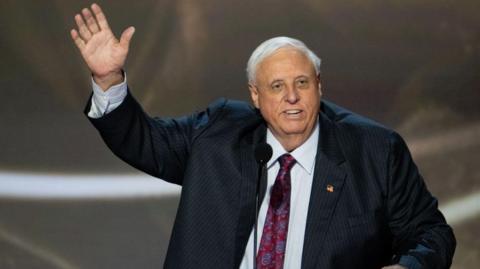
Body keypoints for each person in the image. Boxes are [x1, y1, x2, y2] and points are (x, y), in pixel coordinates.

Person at [71, 3, 456, 269]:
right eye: (276, 86)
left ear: (319, 86)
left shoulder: (375, 151)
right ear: (255, 95)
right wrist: (108, 79)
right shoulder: (218, 133)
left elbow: (432, 233)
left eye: (301, 83)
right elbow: (144, 141)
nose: (291, 97)